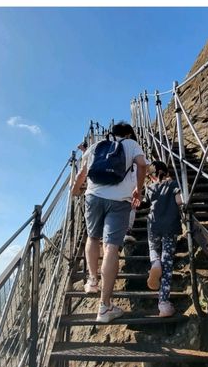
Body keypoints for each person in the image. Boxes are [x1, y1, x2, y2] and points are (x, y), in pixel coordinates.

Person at [71, 122, 147, 323]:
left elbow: (82, 173)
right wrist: (138, 189)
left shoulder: (97, 145)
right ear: (129, 133)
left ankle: (92, 280)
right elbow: (143, 165)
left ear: (111, 133)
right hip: (120, 201)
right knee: (111, 247)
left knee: (92, 237)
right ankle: (104, 307)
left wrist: (74, 190)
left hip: (93, 196)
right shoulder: (131, 144)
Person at [143, 160, 184, 317]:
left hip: (154, 226)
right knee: (168, 263)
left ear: (151, 176)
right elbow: (179, 200)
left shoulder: (150, 187)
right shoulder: (173, 184)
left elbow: (145, 203)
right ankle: (164, 304)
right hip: (171, 227)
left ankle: (155, 262)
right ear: (166, 173)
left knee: (153, 248)